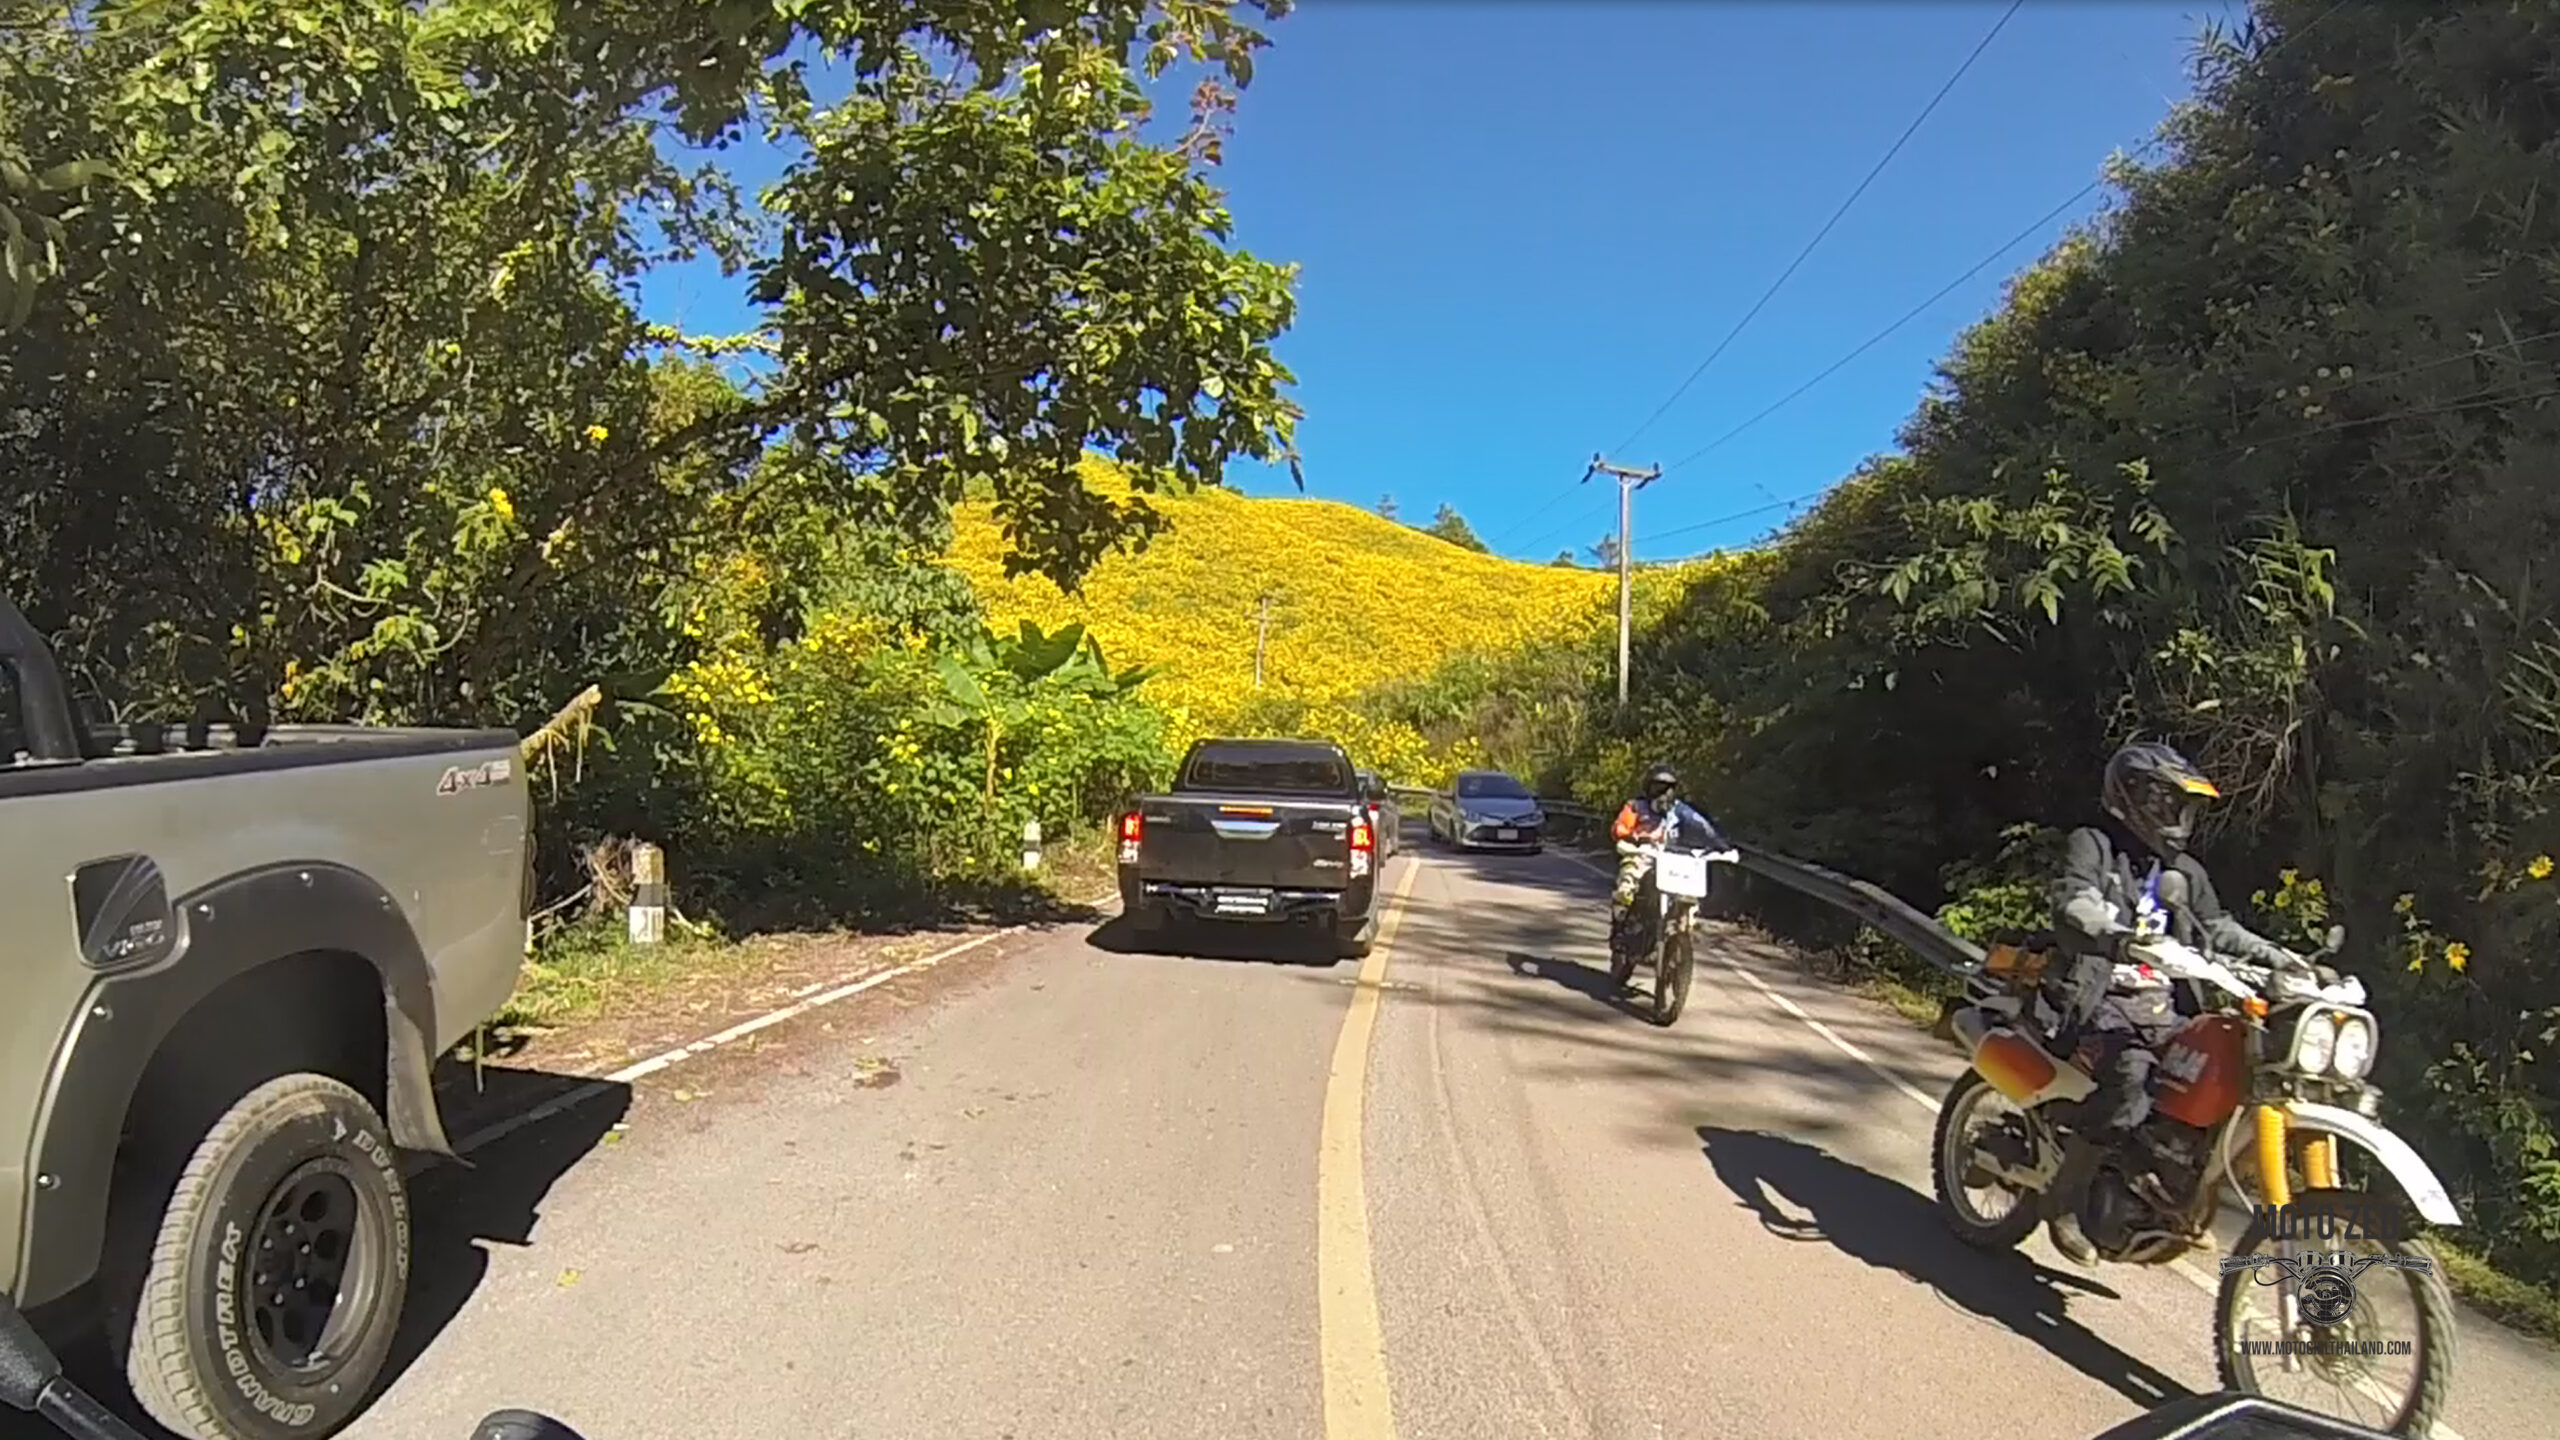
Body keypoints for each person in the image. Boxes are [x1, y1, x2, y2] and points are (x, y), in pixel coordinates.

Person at [2039, 739, 2302, 1265]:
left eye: (2181, 806)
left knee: (2218, 1069)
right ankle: (2063, 1201)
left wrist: (2284, 960)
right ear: (2133, 796)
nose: (2175, 816)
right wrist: (2114, 934)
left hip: (2165, 1007)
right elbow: (2074, 900)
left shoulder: (2183, 870)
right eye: (2166, 802)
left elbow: (2219, 929)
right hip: (2098, 998)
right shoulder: (2094, 844)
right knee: (2133, 1080)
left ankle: (2172, 1192)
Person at [1610, 764, 1725, 953]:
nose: (1664, 793)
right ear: (1648, 787)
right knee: (1627, 883)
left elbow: (1702, 826)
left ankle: (1683, 927)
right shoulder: (1636, 807)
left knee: (1689, 891)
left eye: (1669, 788)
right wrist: (1632, 835)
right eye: (1658, 787)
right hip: (1642, 854)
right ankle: (1620, 927)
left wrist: (1720, 844)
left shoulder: (1679, 811)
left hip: (1671, 859)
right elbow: (1619, 827)